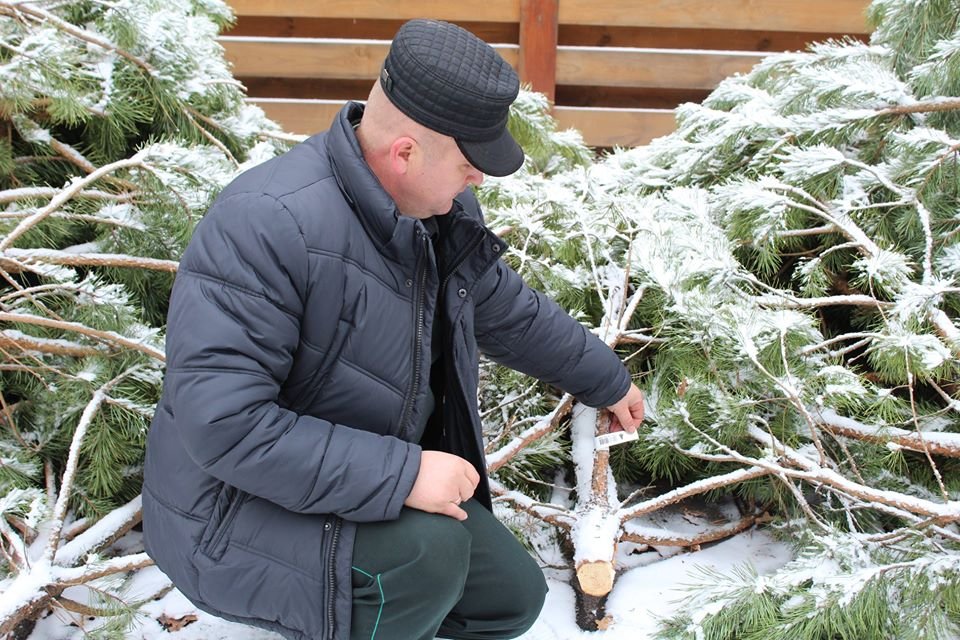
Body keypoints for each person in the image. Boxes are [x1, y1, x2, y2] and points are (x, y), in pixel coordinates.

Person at [142, 18, 645, 640]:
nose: (479, 178)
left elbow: (506, 309)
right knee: (425, 558)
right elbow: (225, 426)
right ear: (405, 153)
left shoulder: (437, 210)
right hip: (227, 510)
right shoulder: (265, 225)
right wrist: (404, 474)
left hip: (351, 475)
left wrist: (606, 381)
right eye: (468, 162)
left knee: (508, 598)